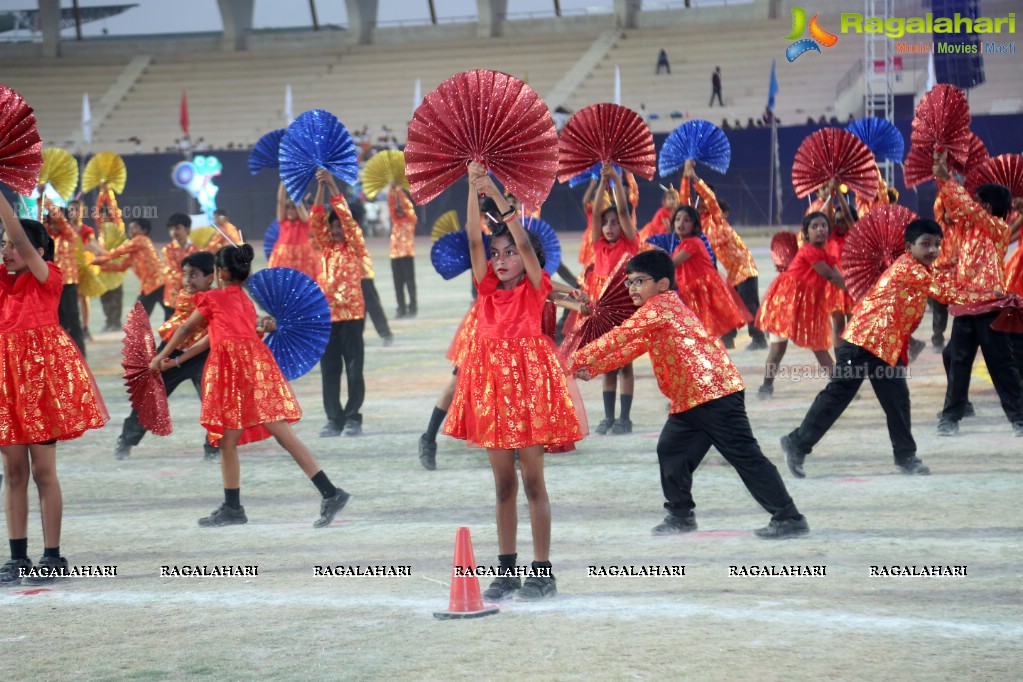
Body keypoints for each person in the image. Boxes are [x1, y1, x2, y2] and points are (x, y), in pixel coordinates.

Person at [570, 250, 809, 539]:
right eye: (629, 283)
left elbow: (621, 335)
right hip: (693, 397)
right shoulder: (661, 310)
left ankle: (788, 517)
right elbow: (632, 346)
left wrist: (572, 360)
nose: (632, 288)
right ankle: (681, 516)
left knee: (746, 456)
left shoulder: (658, 309)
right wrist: (593, 368)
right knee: (671, 449)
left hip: (713, 394)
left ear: (662, 284)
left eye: (639, 282)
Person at [444, 162, 585, 601]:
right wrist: (472, 186)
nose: (502, 260)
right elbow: (473, 238)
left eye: (509, 254)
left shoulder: (539, 287)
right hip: (491, 392)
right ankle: (506, 569)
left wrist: (498, 195)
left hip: (530, 389)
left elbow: (522, 238)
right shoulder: (485, 288)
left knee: (533, 483)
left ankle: (542, 571)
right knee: (503, 485)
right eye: (497, 253)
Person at [150, 244, 350, 528]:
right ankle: (326, 493)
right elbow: (211, 337)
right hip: (257, 367)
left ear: (221, 272)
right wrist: (179, 358)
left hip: (235, 371)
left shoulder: (213, 298)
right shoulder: (243, 300)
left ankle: (239, 507)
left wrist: (161, 355)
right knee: (263, 437)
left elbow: (185, 329)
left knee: (230, 440)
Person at [781, 219, 999, 477]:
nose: (932, 250)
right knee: (837, 397)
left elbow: (944, 282)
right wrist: (994, 296)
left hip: (887, 347)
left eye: (937, 245)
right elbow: (947, 290)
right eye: (925, 244)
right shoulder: (909, 268)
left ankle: (906, 457)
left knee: (897, 401)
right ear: (909, 247)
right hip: (862, 342)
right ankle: (796, 443)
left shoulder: (922, 271)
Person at [0, 191, 108, 587]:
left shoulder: (49, 277)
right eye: (4, 245)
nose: (7, 249)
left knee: (43, 472)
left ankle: (52, 555)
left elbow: (21, 236)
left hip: (41, 383)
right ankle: (16, 557)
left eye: (12, 244)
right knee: (12, 473)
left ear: (38, 250)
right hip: (7, 383)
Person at [932, 150, 1023, 437]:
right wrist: (940, 173)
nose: (975, 205)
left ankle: (1019, 417)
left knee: (1002, 365)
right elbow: (954, 206)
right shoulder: (968, 229)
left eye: (980, 201)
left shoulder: (997, 228)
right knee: (958, 363)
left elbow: (965, 208)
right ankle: (951, 417)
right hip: (966, 306)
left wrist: (947, 177)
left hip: (990, 305)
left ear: (988, 206)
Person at [115, 251, 220, 461]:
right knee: (150, 398)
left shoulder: (214, 298)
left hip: (202, 355)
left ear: (210, 277)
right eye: (185, 274)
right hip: (171, 352)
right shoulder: (182, 294)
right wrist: (163, 356)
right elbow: (177, 328)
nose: (187, 280)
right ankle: (126, 440)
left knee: (213, 404)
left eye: (194, 275)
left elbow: (188, 330)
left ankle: (213, 449)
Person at [755, 211, 845, 399]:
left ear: (829, 230)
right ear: (806, 233)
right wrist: (855, 290)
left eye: (823, 226)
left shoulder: (827, 255)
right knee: (778, 349)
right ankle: (766, 385)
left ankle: (840, 387)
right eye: (814, 227)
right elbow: (830, 276)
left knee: (820, 347)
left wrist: (854, 286)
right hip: (785, 303)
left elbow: (838, 276)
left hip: (808, 306)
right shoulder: (808, 251)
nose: (820, 229)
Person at [685, 161, 766, 350]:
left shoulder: (716, 218)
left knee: (749, 305)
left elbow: (711, 200)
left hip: (744, 267)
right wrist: (684, 177)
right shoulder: (700, 225)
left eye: (703, 199)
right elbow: (685, 203)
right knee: (728, 304)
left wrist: (693, 176)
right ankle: (728, 338)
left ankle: (759, 339)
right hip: (731, 272)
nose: (701, 204)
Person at [311, 170, 367, 438]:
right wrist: (320, 186)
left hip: (353, 316)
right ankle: (334, 419)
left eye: (339, 226)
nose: (335, 230)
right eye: (332, 226)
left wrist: (332, 183)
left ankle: (353, 416)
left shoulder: (355, 246)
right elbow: (315, 218)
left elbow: (345, 216)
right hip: (326, 318)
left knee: (355, 369)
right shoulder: (323, 246)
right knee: (330, 371)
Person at [589, 163, 639, 434]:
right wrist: (601, 182)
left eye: (614, 223)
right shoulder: (598, 245)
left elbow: (621, 208)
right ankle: (609, 417)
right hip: (603, 314)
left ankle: (625, 419)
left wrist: (615, 179)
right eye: (606, 224)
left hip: (624, 312)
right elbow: (596, 212)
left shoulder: (629, 243)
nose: (609, 227)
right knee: (607, 365)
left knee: (625, 366)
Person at [668, 204, 747, 339]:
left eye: (687, 220)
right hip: (692, 292)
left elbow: (672, 264)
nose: (681, 223)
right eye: (678, 219)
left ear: (695, 226)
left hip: (703, 292)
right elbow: (678, 277)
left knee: (703, 335)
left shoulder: (693, 243)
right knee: (700, 335)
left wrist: (652, 264)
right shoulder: (680, 246)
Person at [93, 217, 173, 322]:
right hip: (151, 285)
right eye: (130, 228)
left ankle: (174, 335)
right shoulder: (134, 251)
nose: (130, 230)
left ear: (144, 230)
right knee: (167, 313)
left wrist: (102, 259)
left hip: (158, 283)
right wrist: (100, 267)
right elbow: (121, 267)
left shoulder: (141, 240)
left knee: (140, 319)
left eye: (135, 227)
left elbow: (120, 250)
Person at [41, 197, 86, 356]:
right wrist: (41, 201)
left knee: (74, 321)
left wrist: (46, 200)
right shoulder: (48, 239)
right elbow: (41, 223)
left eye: (55, 221)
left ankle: (81, 355)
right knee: (58, 322)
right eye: (50, 221)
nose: (53, 224)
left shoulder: (69, 235)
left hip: (69, 284)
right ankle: (63, 354)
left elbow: (61, 221)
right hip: (53, 285)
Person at [269, 183, 320, 280]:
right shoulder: (283, 222)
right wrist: (283, 182)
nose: (290, 211)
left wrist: (295, 189)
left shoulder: (305, 222)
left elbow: (299, 205)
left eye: (293, 208)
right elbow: (280, 201)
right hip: (284, 258)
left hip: (303, 258)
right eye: (288, 208)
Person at [388, 184, 418, 318]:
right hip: (395, 256)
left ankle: (413, 307)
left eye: (401, 209)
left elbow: (408, 206)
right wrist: (391, 191)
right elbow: (391, 207)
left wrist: (399, 191)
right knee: (397, 284)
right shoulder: (395, 221)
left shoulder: (410, 220)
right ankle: (401, 308)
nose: (399, 211)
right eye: (397, 209)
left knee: (410, 283)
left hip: (407, 254)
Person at [162, 213, 198, 310]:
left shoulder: (196, 250)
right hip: (173, 296)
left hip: (191, 296)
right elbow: (174, 270)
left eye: (177, 228)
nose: (174, 232)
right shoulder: (168, 249)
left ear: (187, 229)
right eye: (171, 229)